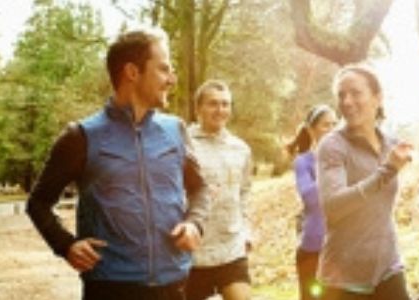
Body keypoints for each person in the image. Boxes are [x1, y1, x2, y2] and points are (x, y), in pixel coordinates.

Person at [26, 28, 210, 300]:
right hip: (110, 287)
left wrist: (195, 223)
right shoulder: (81, 137)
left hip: (173, 285)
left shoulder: (175, 131)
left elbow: (200, 189)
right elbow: (38, 202)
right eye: (163, 69)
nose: (171, 79)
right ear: (132, 73)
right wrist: (66, 245)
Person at [315, 65, 414, 299]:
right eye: (341, 95)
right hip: (344, 278)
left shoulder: (391, 143)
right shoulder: (332, 145)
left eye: (356, 93)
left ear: (377, 98)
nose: (347, 101)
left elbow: (380, 205)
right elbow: (333, 207)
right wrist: (387, 171)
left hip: (388, 266)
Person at [184, 80, 255, 300]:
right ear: (198, 109)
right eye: (213, 104)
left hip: (231, 248)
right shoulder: (182, 143)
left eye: (225, 104)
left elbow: (244, 192)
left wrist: (246, 229)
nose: (220, 110)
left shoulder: (241, 149)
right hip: (193, 252)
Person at [286, 104, 338, 300]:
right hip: (313, 247)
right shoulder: (303, 161)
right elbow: (311, 198)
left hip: (341, 247)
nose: (332, 130)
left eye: (335, 124)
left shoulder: (345, 159)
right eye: (326, 125)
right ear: (311, 130)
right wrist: (330, 168)